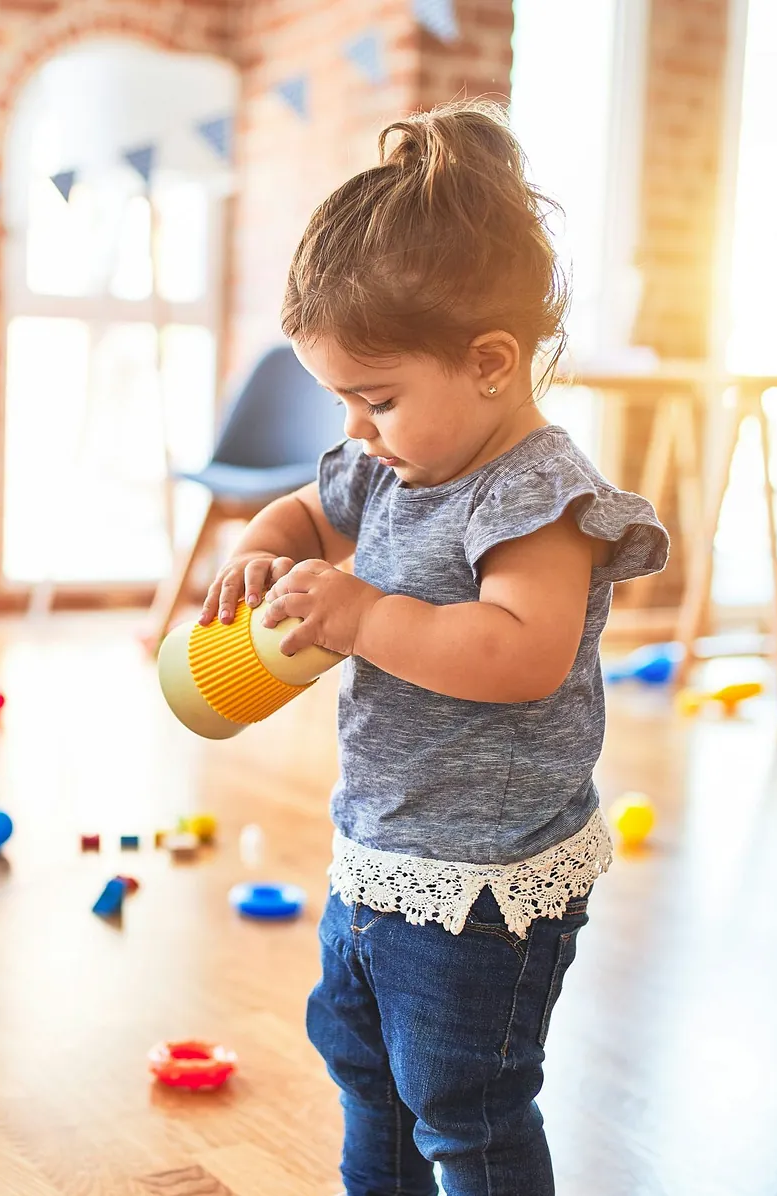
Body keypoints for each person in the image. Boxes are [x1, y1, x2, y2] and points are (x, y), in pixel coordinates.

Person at [199, 100, 669, 1196]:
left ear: (492, 362)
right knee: (365, 1065)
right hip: (383, 848)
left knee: (467, 1103)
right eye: (344, 403)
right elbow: (309, 512)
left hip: (490, 883)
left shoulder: (538, 497)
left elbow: (520, 652)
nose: (356, 430)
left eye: (377, 399)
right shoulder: (391, 463)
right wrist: (265, 545)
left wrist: (364, 616)